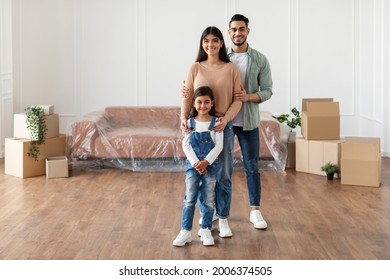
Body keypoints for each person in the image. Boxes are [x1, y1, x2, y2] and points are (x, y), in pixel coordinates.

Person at [180, 26, 242, 238]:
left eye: (215, 40)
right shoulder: (195, 68)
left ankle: (223, 218)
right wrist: (183, 119)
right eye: (206, 41)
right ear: (202, 44)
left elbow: (237, 100)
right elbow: (187, 97)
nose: (210, 45)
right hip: (197, 128)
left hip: (221, 127)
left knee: (223, 176)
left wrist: (226, 119)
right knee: (200, 173)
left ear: (221, 43)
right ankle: (208, 213)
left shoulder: (231, 68)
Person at [227, 14, 273, 229]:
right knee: (222, 168)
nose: (238, 33)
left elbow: (267, 91)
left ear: (248, 31)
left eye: (241, 29)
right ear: (229, 32)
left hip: (248, 122)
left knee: (252, 167)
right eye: (234, 29)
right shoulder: (220, 58)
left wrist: (249, 97)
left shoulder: (260, 59)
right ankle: (220, 211)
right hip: (224, 121)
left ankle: (255, 210)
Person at [173, 86, 223, 247]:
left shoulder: (217, 123)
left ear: (212, 103)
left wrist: (205, 162)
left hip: (210, 166)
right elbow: (186, 145)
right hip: (192, 166)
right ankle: (185, 231)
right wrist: (197, 163)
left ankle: (206, 229)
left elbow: (219, 146)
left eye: (207, 102)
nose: (203, 106)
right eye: (199, 102)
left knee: (208, 199)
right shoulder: (189, 122)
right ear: (193, 104)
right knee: (189, 198)